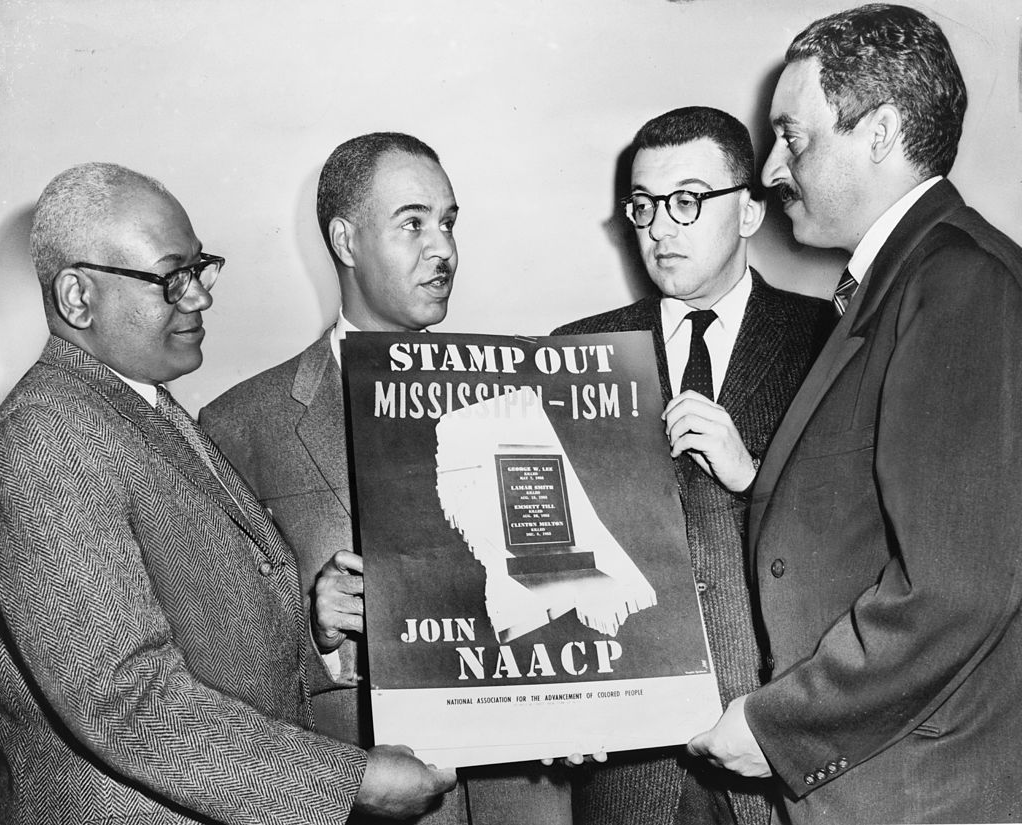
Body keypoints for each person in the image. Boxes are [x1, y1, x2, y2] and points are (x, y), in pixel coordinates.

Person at [0, 162, 456, 824]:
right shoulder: (45, 436)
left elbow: (214, 628)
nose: (200, 298)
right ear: (77, 298)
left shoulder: (144, 407)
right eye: (171, 278)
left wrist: (314, 624)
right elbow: (128, 700)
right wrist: (351, 781)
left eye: (200, 269)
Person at [685, 6, 1022, 824]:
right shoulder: (909, 278)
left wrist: (779, 725)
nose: (769, 170)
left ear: (880, 133)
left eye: (792, 138)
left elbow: (957, 586)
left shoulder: (960, 284)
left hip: (919, 792)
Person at [200, 133, 572, 825]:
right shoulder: (239, 427)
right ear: (345, 240)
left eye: (449, 222)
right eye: (413, 223)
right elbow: (218, 671)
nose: (445, 249)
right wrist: (315, 630)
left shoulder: (521, 398)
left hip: (521, 798)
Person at [551, 107, 831, 825]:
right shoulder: (578, 350)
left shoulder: (829, 339)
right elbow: (551, 546)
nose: (659, 228)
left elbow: (869, 533)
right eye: (643, 206)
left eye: (687, 200)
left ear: (747, 212)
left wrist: (756, 474)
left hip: (774, 745)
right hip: (625, 763)